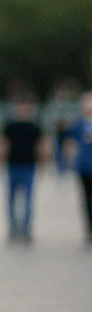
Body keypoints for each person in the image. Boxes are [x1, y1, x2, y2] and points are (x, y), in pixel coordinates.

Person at [0, 98, 47, 243]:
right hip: (13, 166)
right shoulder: (10, 126)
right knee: (11, 199)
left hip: (29, 166)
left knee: (28, 199)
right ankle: (13, 229)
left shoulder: (35, 127)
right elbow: (2, 144)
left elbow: (41, 146)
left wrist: (43, 164)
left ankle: (26, 230)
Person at [65, 92, 92, 244]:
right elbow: (67, 138)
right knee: (87, 201)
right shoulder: (80, 124)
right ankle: (89, 231)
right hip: (85, 168)